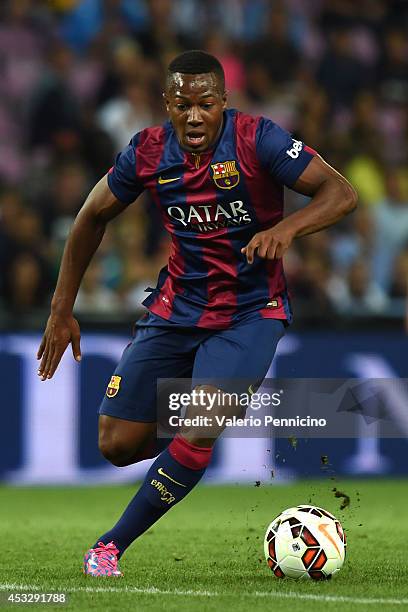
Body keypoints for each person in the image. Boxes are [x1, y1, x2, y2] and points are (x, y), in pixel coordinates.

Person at [37, 50, 357, 577]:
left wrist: (286, 229)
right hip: (176, 308)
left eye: (205, 104)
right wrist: (61, 308)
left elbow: (340, 193)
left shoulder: (259, 140)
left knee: (201, 424)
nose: (194, 116)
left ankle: (110, 546)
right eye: (182, 104)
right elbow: (91, 215)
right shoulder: (146, 152)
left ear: (223, 103)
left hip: (251, 312)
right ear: (167, 103)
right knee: (117, 444)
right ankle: (200, 427)